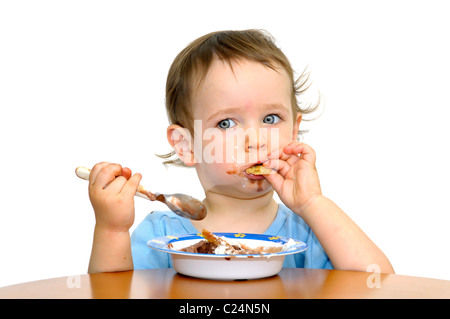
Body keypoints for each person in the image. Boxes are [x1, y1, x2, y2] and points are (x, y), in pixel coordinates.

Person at [86, 30, 394, 274]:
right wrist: (111, 229)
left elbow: (378, 282)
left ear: (294, 131)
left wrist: (313, 204)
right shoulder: (162, 236)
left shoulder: (309, 232)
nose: (256, 139)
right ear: (187, 145)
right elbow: (109, 293)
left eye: (271, 119)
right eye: (226, 123)